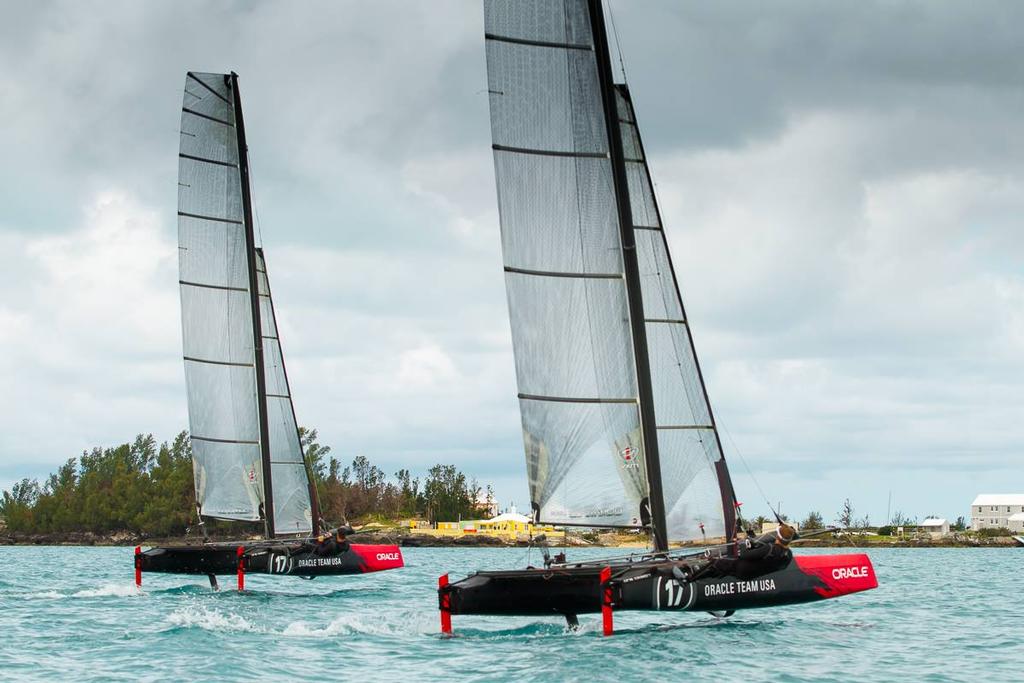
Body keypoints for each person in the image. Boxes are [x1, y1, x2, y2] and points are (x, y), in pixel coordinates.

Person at [691, 522, 797, 581]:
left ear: (778, 536)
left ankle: (689, 579)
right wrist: (751, 544)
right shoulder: (788, 555)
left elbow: (744, 555)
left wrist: (742, 544)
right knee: (723, 568)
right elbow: (765, 559)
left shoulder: (770, 548)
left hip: (742, 569)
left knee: (716, 562)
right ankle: (711, 575)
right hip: (752, 575)